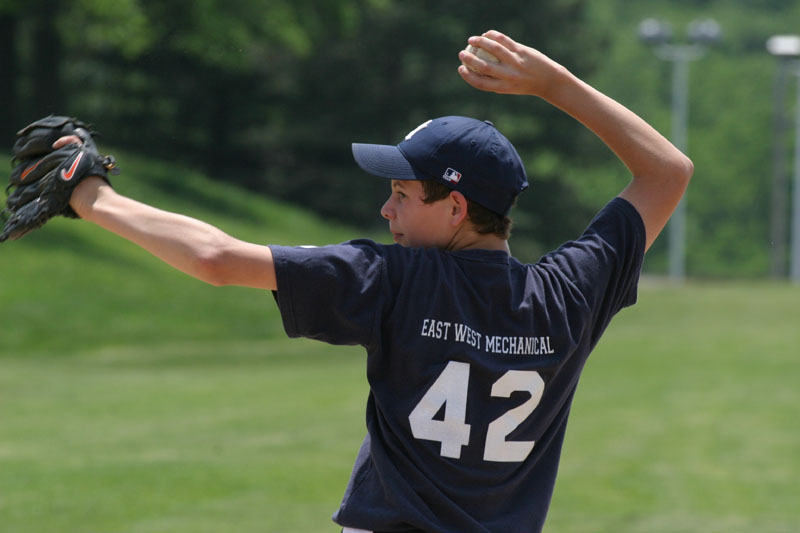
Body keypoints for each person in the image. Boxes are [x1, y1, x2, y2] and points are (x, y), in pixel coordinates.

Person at [61, 30, 692, 533]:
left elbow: (215, 259)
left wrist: (89, 195)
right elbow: (667, 171)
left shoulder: (396, 280)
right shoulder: (567, 297)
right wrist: (551, 85)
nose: (386, 211)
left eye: (400, 193)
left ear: (454, 207)